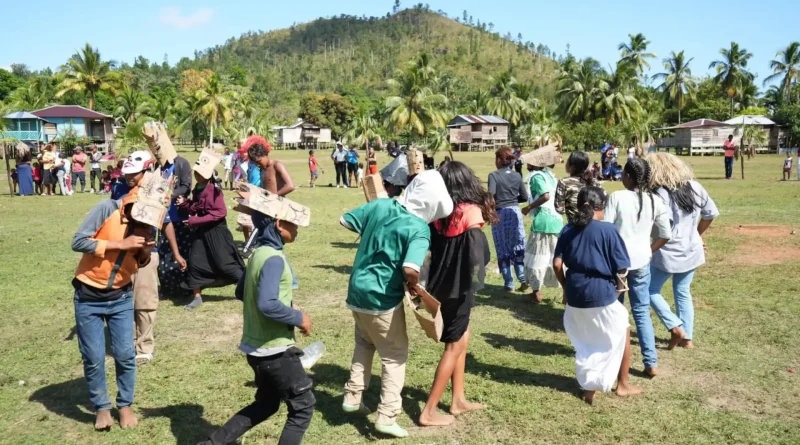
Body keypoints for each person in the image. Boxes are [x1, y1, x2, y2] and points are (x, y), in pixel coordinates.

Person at [340, 170, 453, 438]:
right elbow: (411, 268)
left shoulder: (380, 204)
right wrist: (415, 286)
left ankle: (352, 396)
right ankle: (387, 415)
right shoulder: (419, 229)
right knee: (394, 355)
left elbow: (345, 220)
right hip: (383, 299)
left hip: (357, 292)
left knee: (364, 343)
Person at [199, 196, 314, 445]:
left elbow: (242, 292)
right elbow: (267, 304)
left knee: (267, 404)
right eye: (293, 224)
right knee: (303, 407)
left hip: (256, 347)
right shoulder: (273, 258)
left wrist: (286, 305)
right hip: (275, 350)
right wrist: (298, 317)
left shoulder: (258, 253)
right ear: (279, 224)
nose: (296, 230)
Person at [70, 160, 157, 430]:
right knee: (94, 356)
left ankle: (125, 405)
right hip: (88, 296)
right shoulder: (106, 208)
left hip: (120, 297)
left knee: (125, 354)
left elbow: (139, 263)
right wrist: (120, 243)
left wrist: (142, 253)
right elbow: (78, 241)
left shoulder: (148, 224)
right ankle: (101, 408)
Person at [553, 186, 642, 404]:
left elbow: (557, 264)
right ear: (602, 206)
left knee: (586, 342)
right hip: (601, 292)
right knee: (623, 330)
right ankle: (622, 384)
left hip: (575, 294)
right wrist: (619, 291)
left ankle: (590, 387)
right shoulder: (608, 230)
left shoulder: (568, 229)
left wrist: (565, 288)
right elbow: (622, 269)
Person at [419, 161, 492, 427]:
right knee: (455, 345)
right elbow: (477, 255)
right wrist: (476, 280)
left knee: (463, 335)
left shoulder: (437, 213)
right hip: (459, 288)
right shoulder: (470, 211)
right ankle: (428, 411)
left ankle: (458, 399)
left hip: (439, 286)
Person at [603, 159, 684, 377]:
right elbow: (666, 234)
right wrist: (649, 249)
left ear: (628, 177)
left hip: (617, 265)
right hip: (642, 262)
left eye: (623, 173)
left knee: (615, 311)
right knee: (641, 311)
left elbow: (607, 231)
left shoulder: (617, 197)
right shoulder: (655, 200)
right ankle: (651, 362)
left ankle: (615, 358)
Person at [647, 153, 719, 349]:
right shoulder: (695, 187)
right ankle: (687, 338)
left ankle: (675, 326)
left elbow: (663, 226)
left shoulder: (659, 193)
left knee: (649, 289)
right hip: (692, 249)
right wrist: (696, 234)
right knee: (682, 291)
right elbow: (710, 213)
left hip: (667, 251)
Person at [178, 154, 244, 311]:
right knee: (195, 262)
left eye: (201, 173)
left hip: (216, 232)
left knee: (225, 264)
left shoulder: (214, 190)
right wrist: (185, 204)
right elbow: (198, 207)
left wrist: (195, 221)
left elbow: (220, 213)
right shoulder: (198, 189)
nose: (197, 175)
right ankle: (197, 297)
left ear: (208, 175)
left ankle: (248, 288)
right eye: (196, 173)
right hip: (201, 232)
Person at [141, 122, 194, 302]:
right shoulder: (157, 166)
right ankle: (167, 288)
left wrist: (169, 195)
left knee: (182, 252)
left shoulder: (182, 163)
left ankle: (184, 288)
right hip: (161, 218)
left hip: (179, 217)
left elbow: (186, 187)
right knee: (164, 252)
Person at [521, 159, 563, 303]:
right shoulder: (549, 175)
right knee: (554, 257)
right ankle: (566, 291)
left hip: (543, 222)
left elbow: (545, 195)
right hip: (556, 221)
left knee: (535, 257)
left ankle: (536, 292)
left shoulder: (537, 176)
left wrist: (529, 207)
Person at [489, 147, 529, 292]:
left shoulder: (493, 176)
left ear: (499, 160)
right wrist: (512, 200)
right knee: (518, 245)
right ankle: (523, 278)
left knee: (502, 247)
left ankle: (509, 283)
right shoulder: (517, 176)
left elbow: (491, 195)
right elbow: (524, 197)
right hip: (514, 212)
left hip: (499, 213)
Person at [555, 151, 598, 224]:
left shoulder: (564, 182)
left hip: (575, 226)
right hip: (594, 225)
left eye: (568, 161)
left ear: (573, 167)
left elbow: (560, 209)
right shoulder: (595, 182)